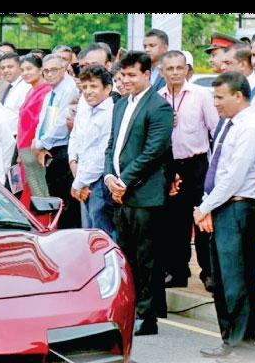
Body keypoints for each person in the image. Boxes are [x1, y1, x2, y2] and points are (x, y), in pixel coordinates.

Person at [195, 72, 255, 363]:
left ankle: (244, 347)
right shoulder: (229, 124)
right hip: (220, 206)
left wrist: (204, 208)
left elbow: (234, 177)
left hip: (237, 208)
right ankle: (229, 340)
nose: (215, 104)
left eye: (220, 97)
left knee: (237, 280)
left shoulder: (250, 127)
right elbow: (218, 171)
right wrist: (207, 206)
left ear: (238, 95)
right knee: (222, 280)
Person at [103, 51, 174, 336]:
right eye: (124, 75)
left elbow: (153, 152)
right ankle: (132, 309)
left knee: (148, 258)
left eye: (133, 75)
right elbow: (112, 146)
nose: (127, 80)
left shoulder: (159, 107)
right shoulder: (120, 104)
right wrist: (109, 177)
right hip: (120, 192)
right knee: (128, 255)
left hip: (145, 194)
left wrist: (124, 181)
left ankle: (149, 315)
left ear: (148, 75)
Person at [157, 50, 220, 292]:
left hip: (197, 163)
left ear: (186, 70)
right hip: (170, 164)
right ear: (162, 71)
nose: (174, 73)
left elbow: (215, 130)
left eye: (179, 68)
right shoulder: (158, 97)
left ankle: (208, 272)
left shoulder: (201, 95)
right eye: (169, 68)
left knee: (202, 217)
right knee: (174, 221)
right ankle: (177, 270)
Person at [31, 54, 80, 228]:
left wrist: (40, 143)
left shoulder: (68, 89)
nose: (49, 74)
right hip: (49, 149)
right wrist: (37, 141)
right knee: (55, 198)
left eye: (54, 70)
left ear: (64, 69)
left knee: (65, 202)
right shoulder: (51, 92)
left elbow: (61, 125)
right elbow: (43, 121)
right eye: (46, 71)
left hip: (62, 149)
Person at [69, 65, 115, 237]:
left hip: (99, 183)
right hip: (81, 177)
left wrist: (80, 182)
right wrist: (73, 163)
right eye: (84, 87)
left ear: (108, 88)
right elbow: (75, 137)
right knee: (88, 233)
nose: (88, 91)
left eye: (94, 86)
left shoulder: (111, 113)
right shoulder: (85, 107)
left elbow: (102, 154)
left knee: (102, 235)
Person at [14, 54, 52, 208]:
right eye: (22, 70)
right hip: (25, 149)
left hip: (35, 148)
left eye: (29, 69)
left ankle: (48, 225)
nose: (25, 73)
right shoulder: (31, 90)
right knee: (33, 192)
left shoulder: (47, 91)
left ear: (40, 69)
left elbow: (43, 123)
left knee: (41, 193)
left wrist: (38, 146)